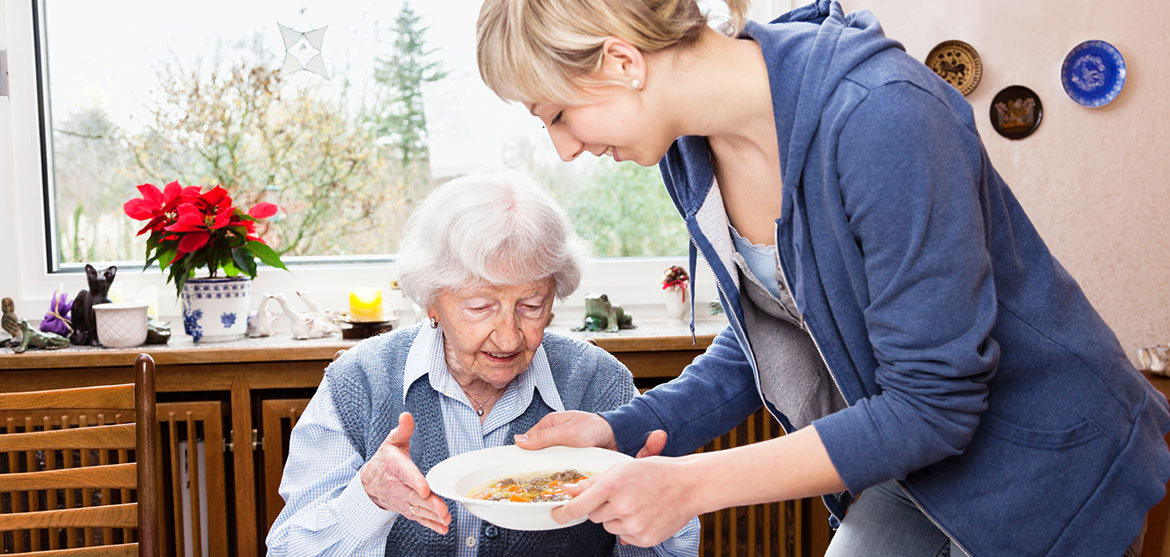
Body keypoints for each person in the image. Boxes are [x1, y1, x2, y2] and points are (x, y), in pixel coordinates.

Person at [475, 1, 1170, 555]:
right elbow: (773, 333)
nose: (565, 148)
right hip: (922, 461)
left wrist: (688, 485)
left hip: (1049, 453)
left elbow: (934, 402)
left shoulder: (881, 113)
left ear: (622, 60)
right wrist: (617, 430)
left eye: (558, 114)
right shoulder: (687, 154)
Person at [265, 171, 700, 556]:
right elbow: (288, 549)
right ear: (431, 299)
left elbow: (673, 551)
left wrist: (654, 516)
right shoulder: (359, 382)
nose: (509, 336)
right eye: (480, 307)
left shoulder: (600, 384)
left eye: (531, 305)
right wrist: (369, 497)